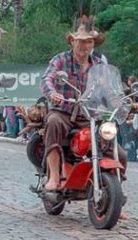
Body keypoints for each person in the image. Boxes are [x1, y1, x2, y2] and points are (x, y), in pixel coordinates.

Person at [41, 17, 111, 192]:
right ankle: (54, 177)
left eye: (88, 41)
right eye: (80, 41)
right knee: (53, 122)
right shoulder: (61, 59)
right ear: (73, 41)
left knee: (111, 138)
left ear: (93, 43)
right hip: (64, 111)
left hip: (88, 115)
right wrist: (52, 93)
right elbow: (47, 78)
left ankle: (114, 192)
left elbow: (108, 89)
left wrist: (125, 102)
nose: (84, 46)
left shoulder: (99, 65)